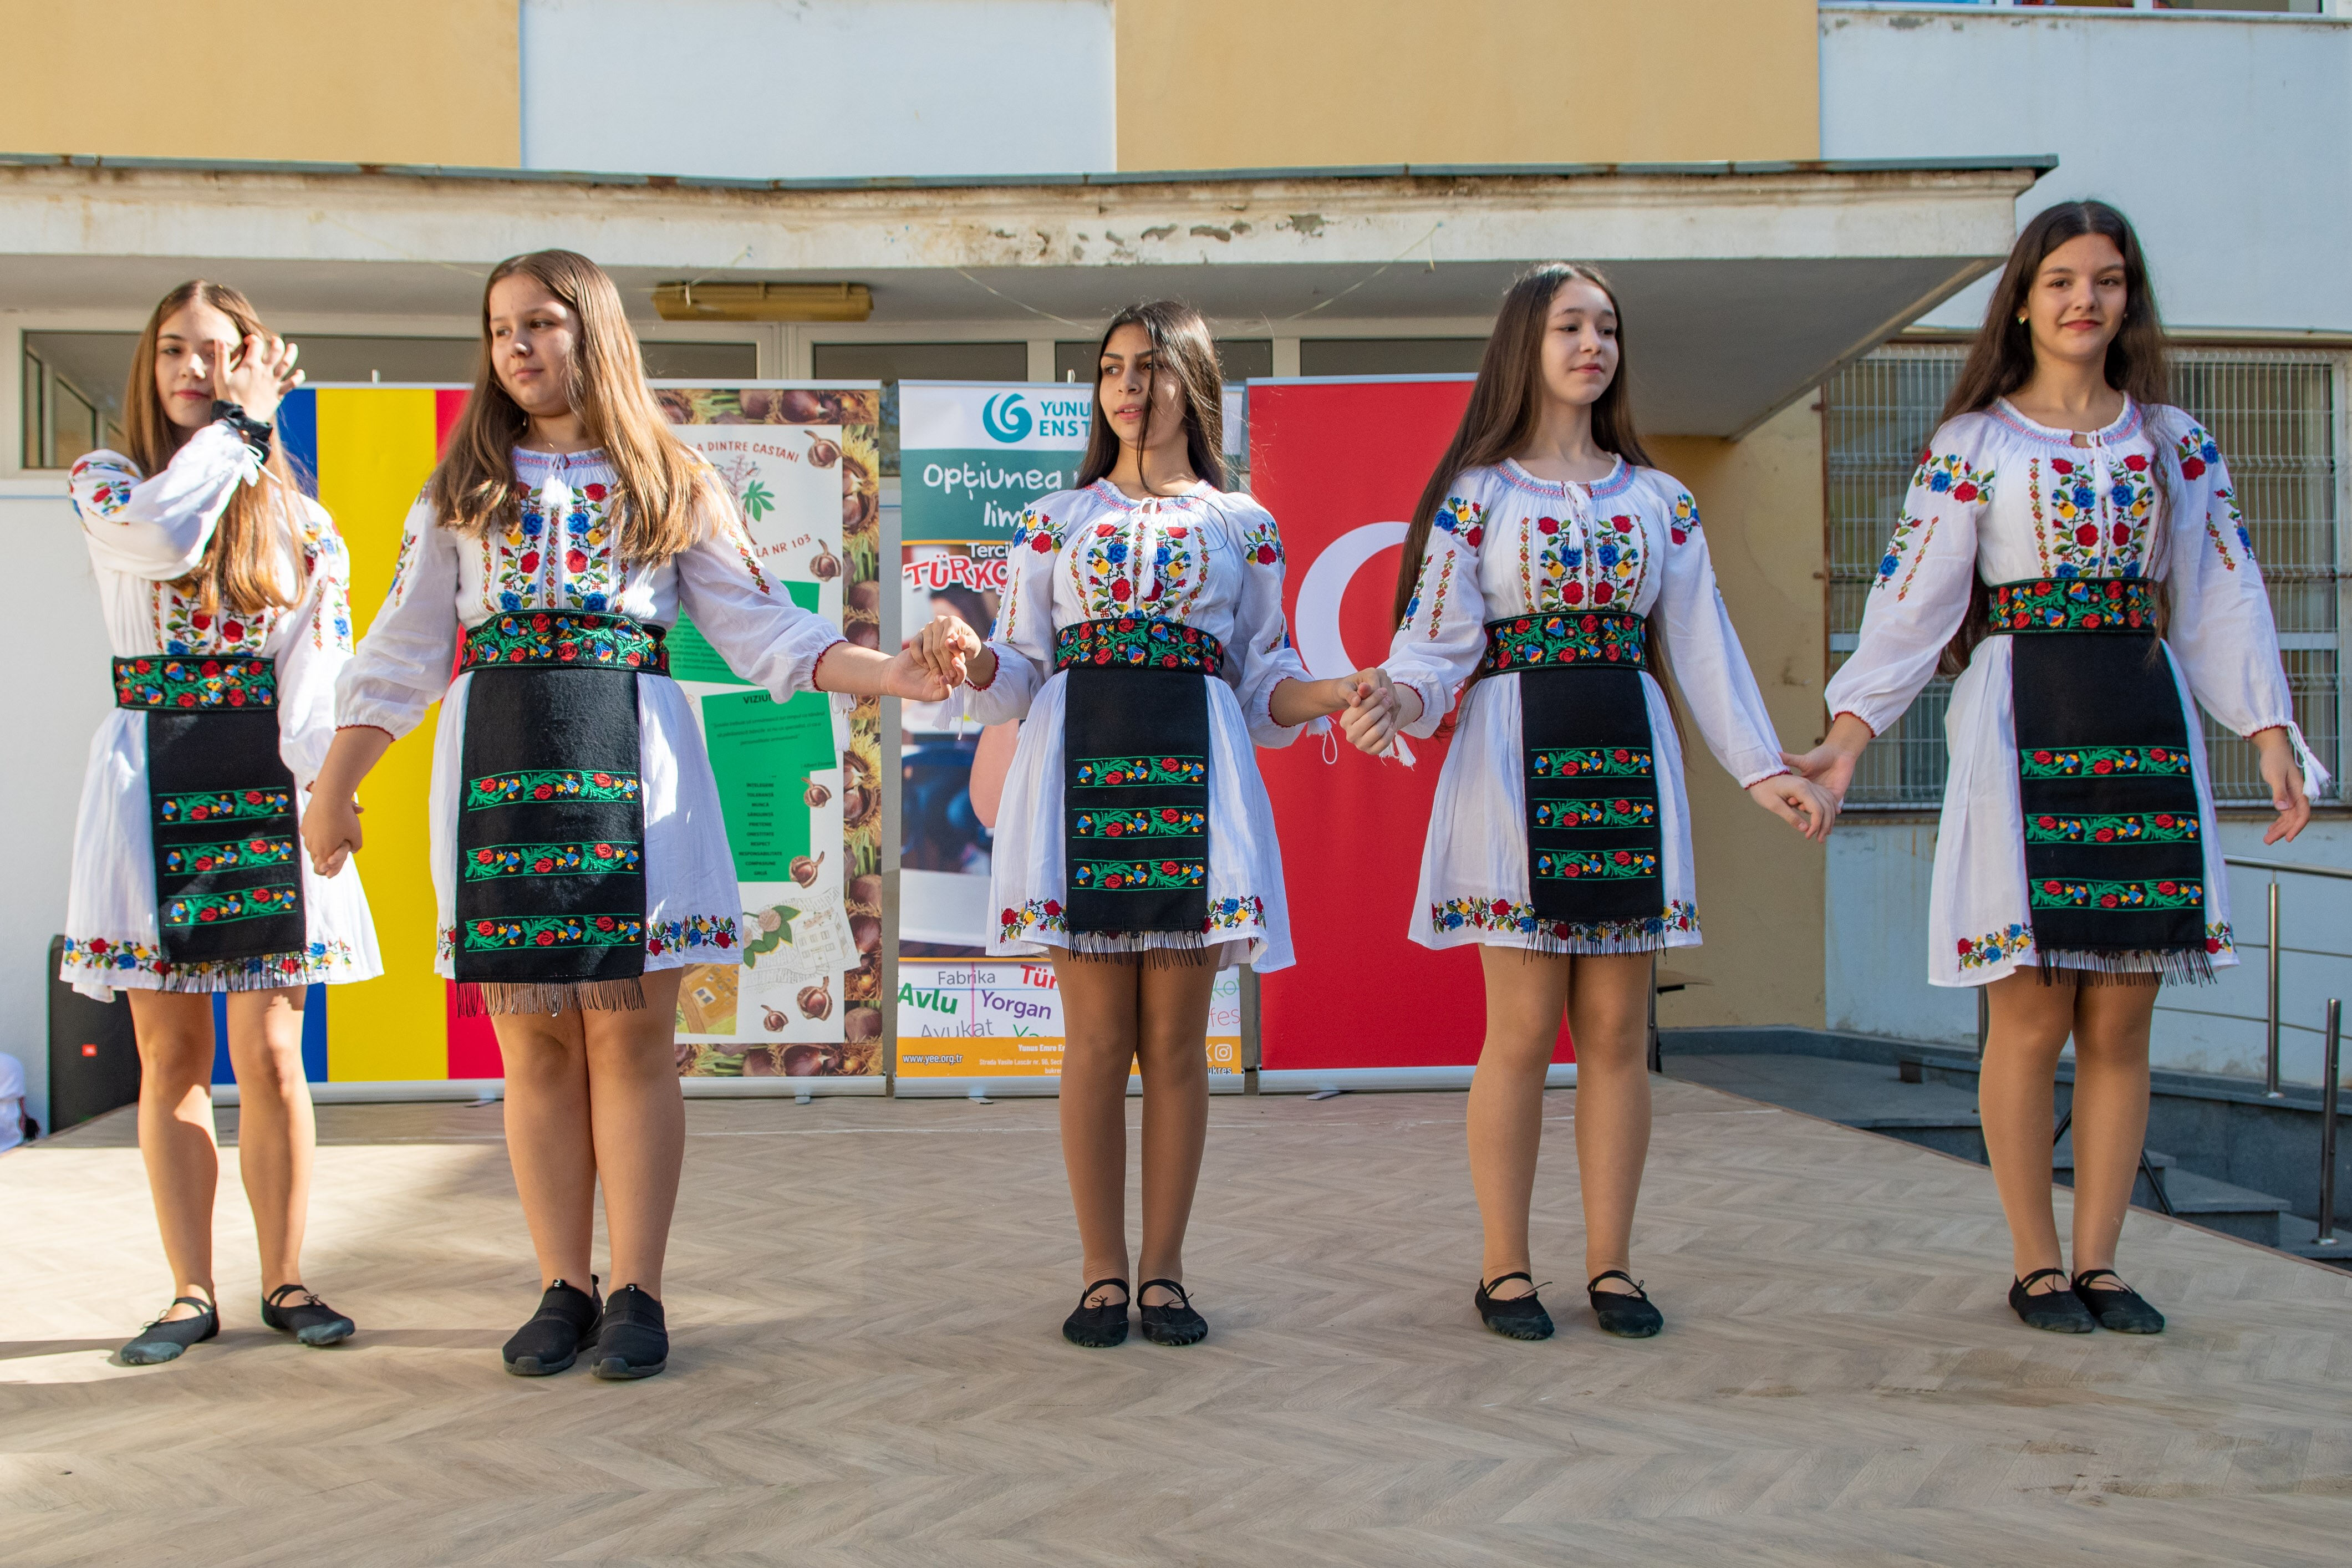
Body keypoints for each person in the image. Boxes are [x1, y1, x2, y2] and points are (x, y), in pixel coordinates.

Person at [301, 250, 946, 1380]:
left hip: (633, 775)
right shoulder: (462, 491)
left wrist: (889, 675)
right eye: (502, 328)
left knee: (634, 1036)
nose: (518, 347)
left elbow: (763, 629)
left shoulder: (669, 479)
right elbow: (401, 651)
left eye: (542, 324)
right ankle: (562, 1282)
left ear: (591, 334)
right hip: (504, 771)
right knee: (536, 1048)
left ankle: (639, 1287)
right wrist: (336, 783)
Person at [1788, 202, 2321, 1336]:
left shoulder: (2175, 443)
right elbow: (1910, 605)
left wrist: (2269, 734)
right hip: (2022, 711)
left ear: (2130, 300)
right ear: (2024, 298)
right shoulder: (1973, 444)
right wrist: (1845, 740)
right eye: (2065, 279)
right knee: (2031, 1019)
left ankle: (2103, 1260)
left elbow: (2225, 595)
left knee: (2123, 1022)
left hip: (2140, 712)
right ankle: (2035, 1261)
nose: (2087, 300)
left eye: (2110, 280)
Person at [1341, 263, 1835, 1341]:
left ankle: (1612, 1264)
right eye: (1570, 325)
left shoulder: (1661, 500)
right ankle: (1505, 1267)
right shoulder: (1479, 495)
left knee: (1616, 1028)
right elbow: (1435, 646)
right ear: (1528, 343)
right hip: (1517, 753)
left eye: (1606, 327)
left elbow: (1704, 646)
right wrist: (1397, 693)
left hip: (1625, 749)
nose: (1592, 344)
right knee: (1520, 1029)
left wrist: (1764, 768)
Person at [914, 300, 1384, 1348]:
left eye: (1151, 369)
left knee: (1175, 1044)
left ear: (1191, 384)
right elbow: (1020, 673)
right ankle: (1098, 1273)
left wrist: (1344, 691)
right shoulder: (1054, 519)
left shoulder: (1241, 523)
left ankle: (1163, 1272)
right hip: (1078, 774)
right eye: (1112, 370)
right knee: (1092, 1043)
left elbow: (1265, 684)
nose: (1129, 388)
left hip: (1194, 776)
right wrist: (975, 658)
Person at [65, 281, 380, 1365]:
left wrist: (323, 796)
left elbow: (316, 672)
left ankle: (286, 1278)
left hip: (260, 780)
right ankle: (187, 1288)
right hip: (152, 770)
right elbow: (160, 539)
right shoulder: (108, 484)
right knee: (171, 1055)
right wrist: (244, 430)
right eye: (172, 353)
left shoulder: (303, 523)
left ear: (254, 360)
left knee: (275, 1050)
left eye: (215, 351)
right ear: (148, 373)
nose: (192, 370)